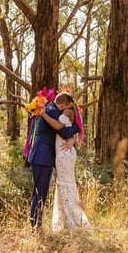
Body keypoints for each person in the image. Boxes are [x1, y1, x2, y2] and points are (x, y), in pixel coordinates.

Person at [27, 93, 77, 230]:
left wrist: (72, 138)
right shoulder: (52, 111)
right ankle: (35, 227)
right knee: (40, 193)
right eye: (67, 107)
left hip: (42, 157)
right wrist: (76, 129)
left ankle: (36, 225)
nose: (66, 110)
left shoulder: (49, 109)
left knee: (40, 192)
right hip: (42, 157)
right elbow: (63, 130)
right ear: (63, 104)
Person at [50, 93, 89, 232]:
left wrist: (44, 115)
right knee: (65, 184)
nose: (56, 106)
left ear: (65, 104)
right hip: (66, 151)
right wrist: (72, 139)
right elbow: (70, 132)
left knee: (65, 184)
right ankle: (66, 220)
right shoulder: (71, 111)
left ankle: (73, 221)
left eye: (58, 103)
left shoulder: (66, 112)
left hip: (64, 153)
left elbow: (61, 128)